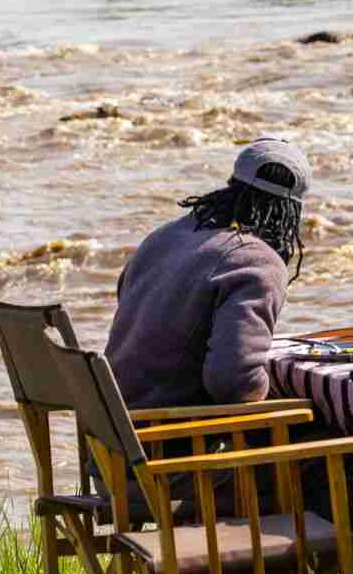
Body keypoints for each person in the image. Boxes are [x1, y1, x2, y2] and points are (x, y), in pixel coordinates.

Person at [106, 137, 309, 411]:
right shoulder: (258, 263)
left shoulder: (163, 237)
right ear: (291, 211)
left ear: (231, 185)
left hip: (114, 428)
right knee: (331, 424)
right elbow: (234, 383)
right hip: (173, 434)